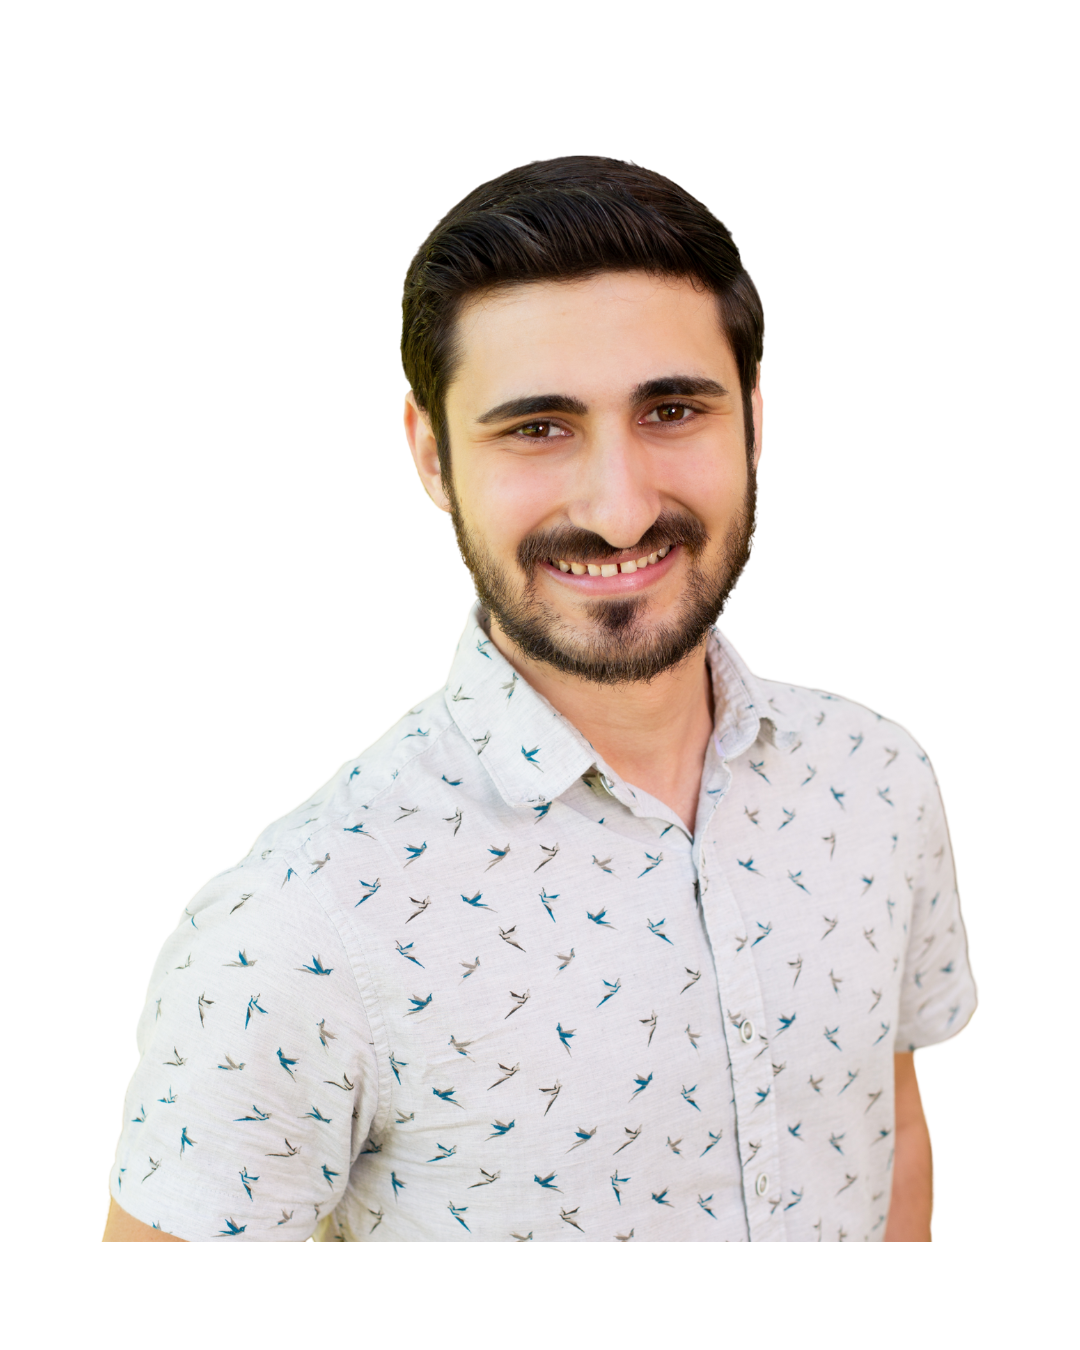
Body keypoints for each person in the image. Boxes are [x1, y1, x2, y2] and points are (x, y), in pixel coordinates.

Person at [102, 154, 977, 1243]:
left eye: (671, 409)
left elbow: (886, 1127)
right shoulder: (292, 928)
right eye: (537, 427)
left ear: (754, 417)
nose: (619, 510)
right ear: (429, 453)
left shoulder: (877, 777)